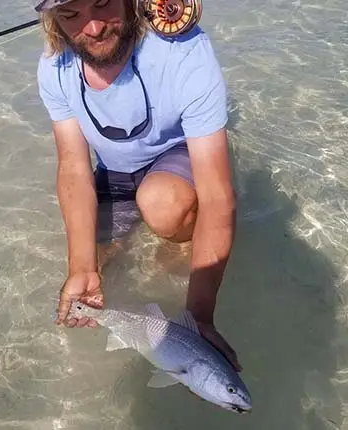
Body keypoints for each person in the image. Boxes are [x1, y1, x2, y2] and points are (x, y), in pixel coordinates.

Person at [35, 0, 242, 371]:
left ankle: (183, 238)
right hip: (114, 173)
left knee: (161, 202)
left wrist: (199, 318)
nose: (94, 28)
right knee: (97, 270)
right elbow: (73, 169)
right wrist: (81, 266)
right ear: (54, 20)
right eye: (71, 16)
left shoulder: (185, 52)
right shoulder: (55, 66)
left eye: (102, 5)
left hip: (177, 157)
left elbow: (217, 193)